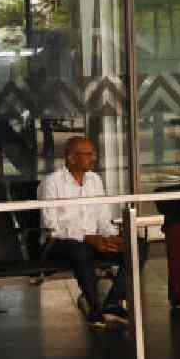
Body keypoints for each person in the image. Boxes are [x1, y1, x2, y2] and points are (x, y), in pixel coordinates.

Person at [38, 136, 144, 327]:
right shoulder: (52, 182)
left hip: (93, 240)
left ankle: (113, 301)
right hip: (60, 243)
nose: (93, 158)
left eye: (93, 153)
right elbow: (51, 226)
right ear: (71, 158)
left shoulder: (95, 180)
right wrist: (86, 238)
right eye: (88, 154)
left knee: (137, 244)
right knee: (81, 250)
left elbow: (103, 218)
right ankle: (95, 307)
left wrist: (111, 236)